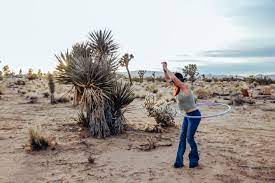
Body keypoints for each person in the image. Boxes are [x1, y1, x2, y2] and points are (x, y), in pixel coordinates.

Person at [161, 61, 201, 168]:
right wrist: (164, 69)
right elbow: (168, 79)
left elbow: (173, 78)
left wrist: (166, 67)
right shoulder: (177, 89)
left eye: (175, 82)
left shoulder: (184, 87)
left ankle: (194, 160)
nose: (173, 84)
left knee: (189, 138)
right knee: (182, 138)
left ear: (179, 81)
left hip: (195, 115)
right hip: (187, 116)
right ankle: (178, 162)